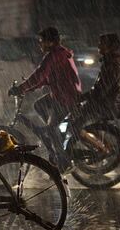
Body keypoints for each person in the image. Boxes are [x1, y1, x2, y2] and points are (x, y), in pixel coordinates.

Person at [9, 27, 82, 173]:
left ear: (49, 42)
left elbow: (39, 75)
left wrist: (21, 88)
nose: (39, 45)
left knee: (51, 128)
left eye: (41, 41)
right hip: (64, 93)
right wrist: (27, 88)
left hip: (65, 96)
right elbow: (46, 78)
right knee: (39, 105)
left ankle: (64, 161)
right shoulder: (61, 53)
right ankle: (54, 134)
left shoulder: (53, 56)